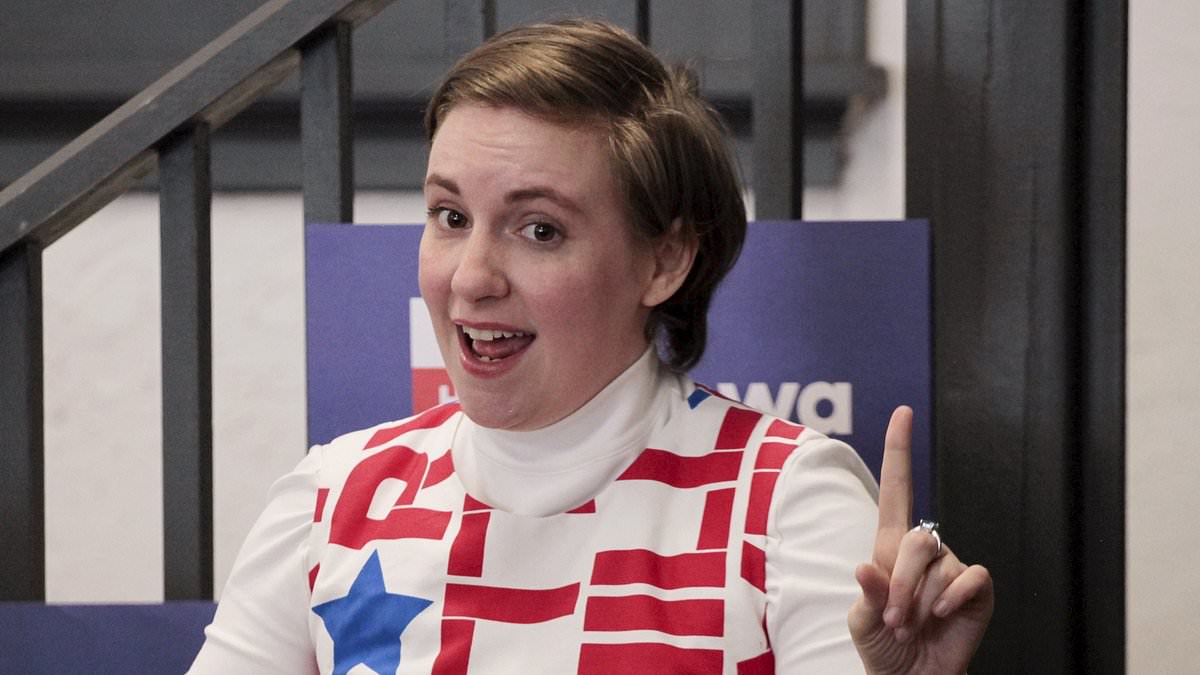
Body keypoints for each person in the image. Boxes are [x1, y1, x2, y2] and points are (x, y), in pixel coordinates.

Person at [190, 19, 992, 674]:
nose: (471, 277)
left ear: (664, 260)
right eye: (450, 217)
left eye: (539, 229)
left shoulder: (788, 504)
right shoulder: (331, 498)